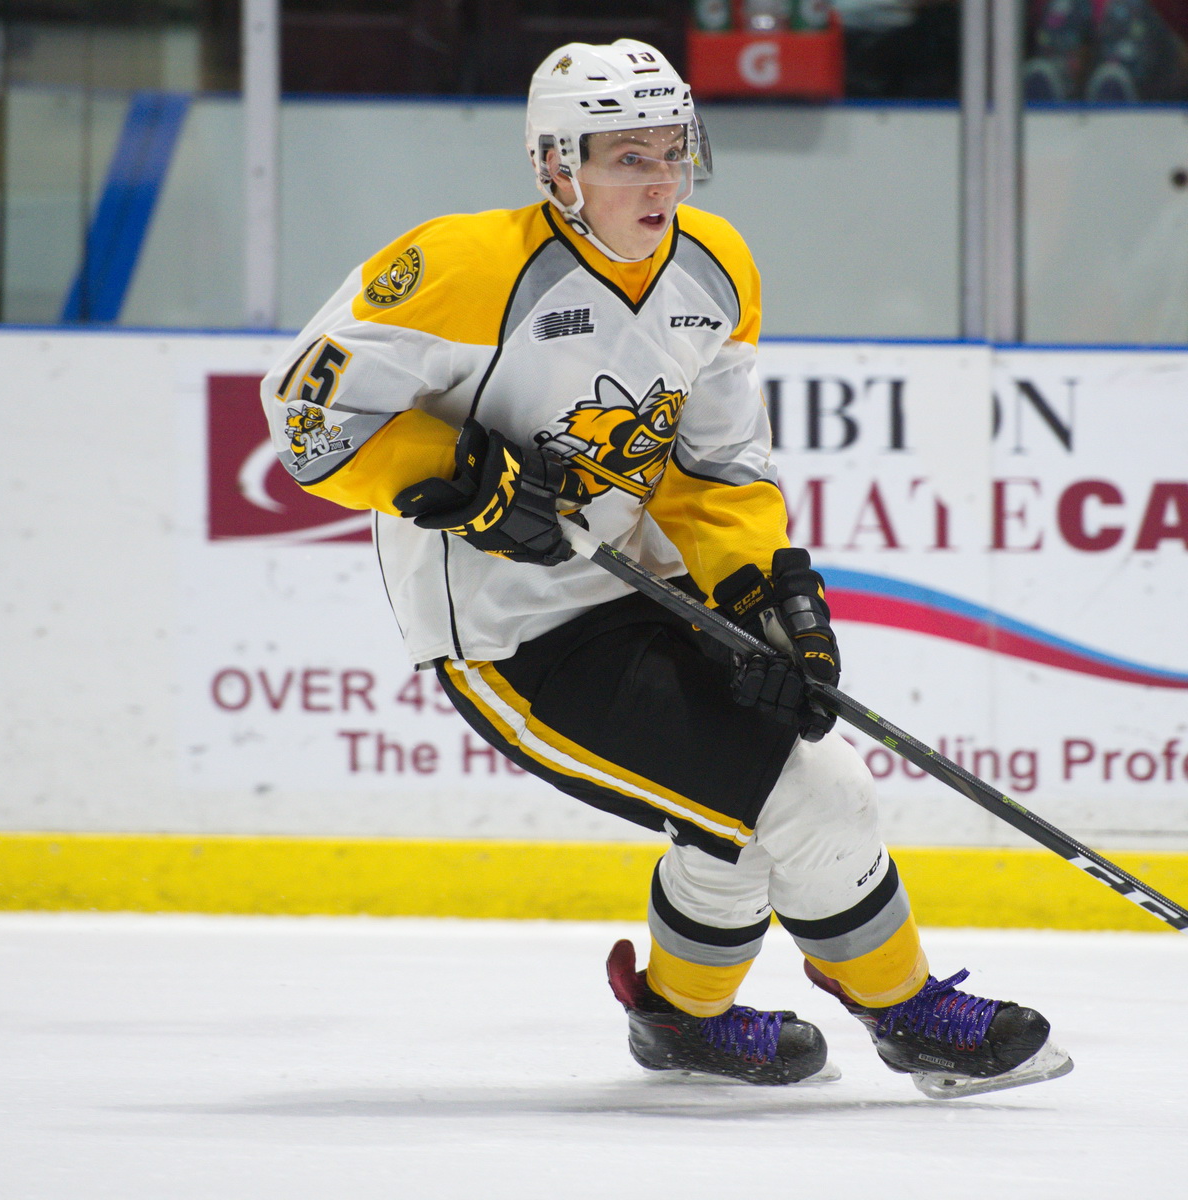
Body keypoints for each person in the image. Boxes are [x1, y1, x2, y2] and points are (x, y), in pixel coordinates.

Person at [258, 38, 1071, 1095]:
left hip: (644, 588)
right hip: (512, 632)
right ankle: (909, 1015)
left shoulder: (715, 265)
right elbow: (305, 410)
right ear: (556, 166)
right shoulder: (464, 267)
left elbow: (715, 467)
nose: (661, 180)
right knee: (812, 797)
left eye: (673, 150)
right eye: (627, 157)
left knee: (741, 808)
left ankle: (684, 1020)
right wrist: (459, 476)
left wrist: (769, 594)